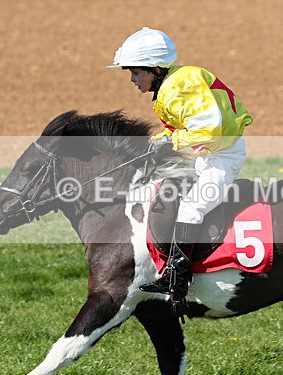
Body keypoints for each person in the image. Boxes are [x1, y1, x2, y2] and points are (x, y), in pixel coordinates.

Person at [108, 27, 253, 312]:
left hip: (222, 155)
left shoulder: (179, 85)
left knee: (191, 208)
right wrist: (163, 140)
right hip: (210, 154)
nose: (133, 80)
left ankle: (178, 276)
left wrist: (171, 141)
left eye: (136, 73)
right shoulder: (170, 85)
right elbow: (186, 129)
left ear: (155, 68)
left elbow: (209, 129)